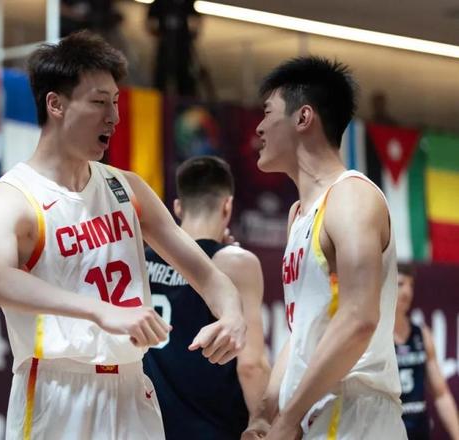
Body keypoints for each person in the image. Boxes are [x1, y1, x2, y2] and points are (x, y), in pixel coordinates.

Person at [0, 30, 246, 440]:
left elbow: (207, 274)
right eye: (100, 102)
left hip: (131, 386)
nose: (114, 117)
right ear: (56, 105)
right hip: (58, 390)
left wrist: (233, 316)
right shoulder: (13, 197)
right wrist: (98, 310)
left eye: (116, 102)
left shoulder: (127, 187)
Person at [242, 56, 406, 439]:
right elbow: (302, 333)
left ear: (303, 118)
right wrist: (266, 412)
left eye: (267, 113)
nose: (259, 128)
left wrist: (288, 418)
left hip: (354, 411)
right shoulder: (299, 215)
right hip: (317, 410)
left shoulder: (351, 196)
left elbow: (359, 319)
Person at [143, 156, 270, 439]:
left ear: (178, 207)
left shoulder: (140, 259)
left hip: (148, 426)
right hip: (213, 428)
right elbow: (251, 365)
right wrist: (262, 420)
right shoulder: (236, 263)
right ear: (227, 206)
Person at [395, 263, 459, 440]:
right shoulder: (375, 335)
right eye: (400, 284)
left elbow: (441, 394)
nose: (407, 291)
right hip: (387, 430)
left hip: (419, 430)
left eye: (411, 285)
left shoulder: (421, 334)